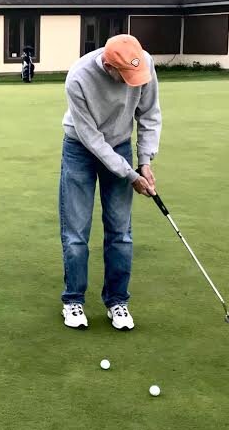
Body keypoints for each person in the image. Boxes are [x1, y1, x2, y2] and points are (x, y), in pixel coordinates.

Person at [59, 34, 161, 331]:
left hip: (120, 144)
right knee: (76, 232)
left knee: (120, 232)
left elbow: (150, 114)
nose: (133, 80)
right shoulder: (78, 78)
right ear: (108, 66)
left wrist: (145, 161)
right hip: (80, 147)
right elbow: (91, 139)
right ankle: (73, 299)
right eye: (126, 75)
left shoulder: (144, 65)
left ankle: (118, 301)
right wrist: (130, 175)